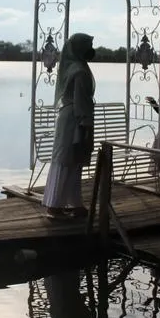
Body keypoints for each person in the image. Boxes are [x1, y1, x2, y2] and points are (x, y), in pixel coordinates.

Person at [42, 32, 96, 219]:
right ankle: (55, 206)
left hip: (70, 117)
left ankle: (73, 203)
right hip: (75, 119)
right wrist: (86, 125)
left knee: (72, 160)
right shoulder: (79, 71)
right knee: (68, 160)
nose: (91, 50)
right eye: (88, 46)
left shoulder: (72, 67)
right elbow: (81, 101)